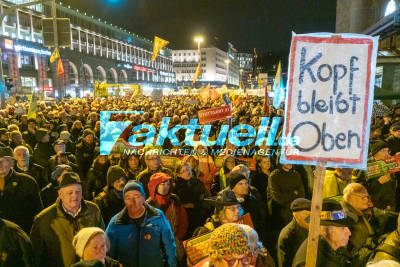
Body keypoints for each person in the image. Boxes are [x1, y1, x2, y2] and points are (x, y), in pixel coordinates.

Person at [30, 171, 105, 267]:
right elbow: (36, 256)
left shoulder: (93, 210)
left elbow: (102, 240)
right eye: (70, 193)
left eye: (78, 192)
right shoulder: (44, 219)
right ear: (60, 194)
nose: (75, 196)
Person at [106, 180, 177, 267]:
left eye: (137, 196)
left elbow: (169, 244)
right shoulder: (116, 223)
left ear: (144, 198)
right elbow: (108, 254)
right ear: (124, 200)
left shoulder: (157, 216)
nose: (133, 201)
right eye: (128, 198)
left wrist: (172, 265)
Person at [292, 199, 357, 267]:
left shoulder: (334, 248)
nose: (349, 233)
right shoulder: (310, 261)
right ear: (324, 230)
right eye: (342, 228)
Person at [342, 183, 390, 267]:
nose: (367, 200)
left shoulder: (360, 212)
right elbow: (351, 256)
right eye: (363, 197)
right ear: (350, 198)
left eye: (368, 197)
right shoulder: (346, 218)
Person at [147, 172, 188, 265]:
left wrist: (177, 237)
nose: (165, 187)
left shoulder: (174, 200)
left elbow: (183, 221)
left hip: (176, 242)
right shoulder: (148, 206)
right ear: (155, 186)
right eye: (162, 184)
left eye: (168, 184)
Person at [0, 146, 43, 233]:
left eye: (3, 161)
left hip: (21, 234)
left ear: (12, 162)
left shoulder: (28, 182)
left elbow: (37, 212)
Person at [173, 162, 207, 237]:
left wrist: (194, 205)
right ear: (178, 174)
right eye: (184, 171)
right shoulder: (175, 187)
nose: (187, 172)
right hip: (183, 220)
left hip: (198, 217)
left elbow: (204, 201)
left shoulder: (198, 183)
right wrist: (183, 206)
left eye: (188, 169)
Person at [268, 163, 305, 229]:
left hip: (296, 211)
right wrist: (293, 194)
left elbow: (301, 194)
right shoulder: (274, 176)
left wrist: (286, 194)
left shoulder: (295, 174)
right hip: (281, 215)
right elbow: (278, 198)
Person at [277, 198, 311, 267]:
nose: (311, 218)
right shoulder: (287, 235)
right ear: (297, 216)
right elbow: (284, 262)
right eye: (307, 216)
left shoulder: (314, 227)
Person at [365, 141, 396, 210]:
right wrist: (378, 182)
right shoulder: (366, 166)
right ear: (374, 153)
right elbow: (360, 188)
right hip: (376, 206)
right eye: (383, 151)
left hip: (391, 203)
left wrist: (397, 160)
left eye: (388, 151)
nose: (387, 154)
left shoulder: (389, 162)